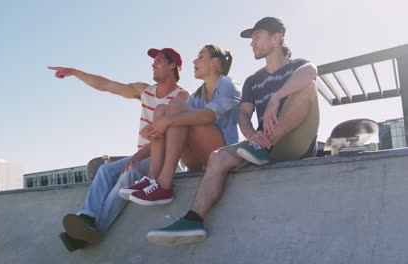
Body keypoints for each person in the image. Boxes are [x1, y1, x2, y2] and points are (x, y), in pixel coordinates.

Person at [146, 17, 320, 246]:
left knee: (308, 86)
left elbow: (311, 72)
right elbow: (243, 116)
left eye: (257, 37)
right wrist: (250, 135)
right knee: (217, 157)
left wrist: (276, 97)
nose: (252, 43)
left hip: (295, 140)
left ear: (276, 38)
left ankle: (263, 145)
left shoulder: (298, 65)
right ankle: (193, 220)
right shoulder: (252, 80)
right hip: (262, 143)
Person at [48, 47, 189, 252]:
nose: (153, 64)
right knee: (106, 170)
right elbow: (107, 85)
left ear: (172, 65)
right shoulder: (145, 91)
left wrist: (137, 157)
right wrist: (73, 72)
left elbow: (171, 138)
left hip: (166, 160)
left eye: (159, 60)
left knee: (129, 171)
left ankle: (96, 229)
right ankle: (86, 217)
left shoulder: (182, 96)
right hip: (142, 157)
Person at [117, 44, 242, 206]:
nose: (194, 61)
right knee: (162, 108)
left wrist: (166, 121)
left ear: (214, 62)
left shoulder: (229, 85)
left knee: (175, 108)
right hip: (198, 160)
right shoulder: (198, 94)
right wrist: (139, 155)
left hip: (222, 156)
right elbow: (170, 125)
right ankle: (152, 178)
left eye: (201, 56)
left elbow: (208, 116)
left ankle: (164, 184)